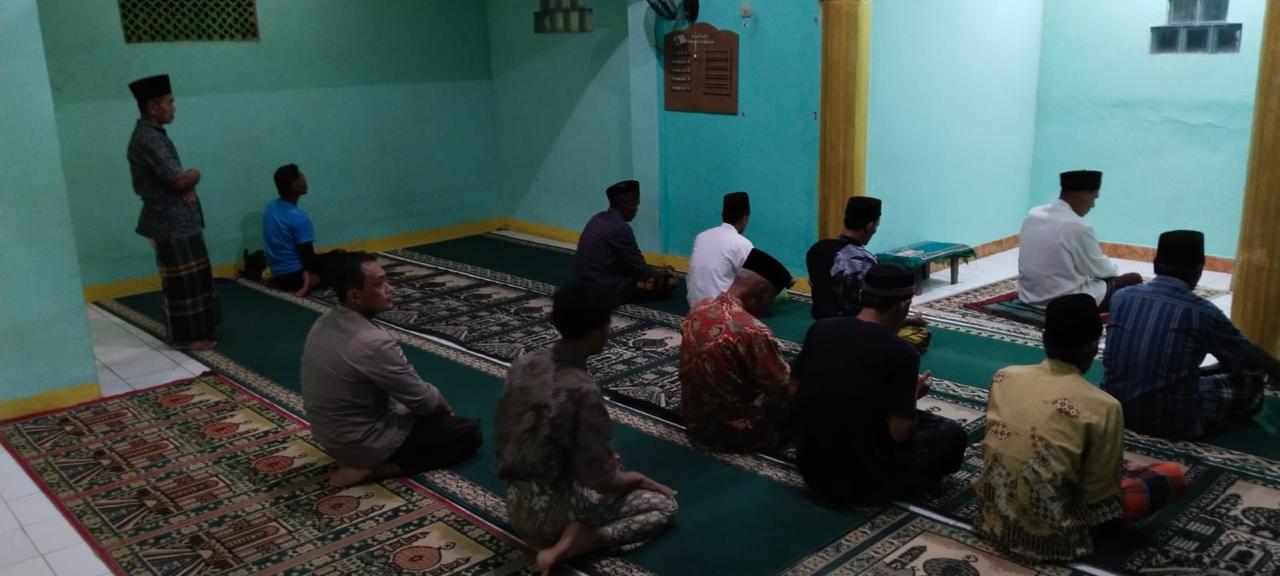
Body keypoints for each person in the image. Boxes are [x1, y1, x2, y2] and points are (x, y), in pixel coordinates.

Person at [974, 294, 1187, 561]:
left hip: (993, 518)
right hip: (1057, 537)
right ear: (1093, 347)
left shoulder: (1005, 376)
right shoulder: (1104, 406)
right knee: (1171, 475)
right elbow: (1099, 495)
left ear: (1045, 339)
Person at [496, 283, 677, 575]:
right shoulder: (582, 390)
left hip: (516, 502)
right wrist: (641, 480)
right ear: (595, 332)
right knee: (663, 506)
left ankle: (574, 530)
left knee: (611, 459)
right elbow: (604, 483)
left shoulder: (525, 362)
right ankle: (585, 540)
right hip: (553, 516)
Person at [301, 252, 481, 487]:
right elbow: (425, 401)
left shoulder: (324, 320)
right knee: (467, 433)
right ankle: (379, 469)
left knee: (405, 404)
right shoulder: (372, 342)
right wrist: (445, 411)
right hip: (360, 444)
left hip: (329, 436)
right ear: (355, 296)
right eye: (379, 284)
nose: (389, 289)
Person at [794, 264, 966, 506]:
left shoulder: (821, 328)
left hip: (810, 465)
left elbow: (792, 389)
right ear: (903, 305)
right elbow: (900, 432)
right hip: (863, 481)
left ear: (862, 295)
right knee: (952, 434)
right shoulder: (901, 352)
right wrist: (912, 394)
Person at [1103, 230, 1280, 440]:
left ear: (1155, 262)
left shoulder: (1121, 297)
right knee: (1251, 381)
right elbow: (1246, 354)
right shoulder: (1202, 311)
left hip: (1116, 409)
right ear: (1199, 267)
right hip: (1172, 421)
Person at [126, 74, 220, 351]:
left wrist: (187, 181)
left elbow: (176, 180)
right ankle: (185, 338)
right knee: (183, 283)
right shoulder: (148, 139)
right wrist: (195, 174)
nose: (173, 108)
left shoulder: (154, 135)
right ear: (153, 106)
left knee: (194, 279)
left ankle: (197, 331)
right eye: (170, 102)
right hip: (169, 222)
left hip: (177, 220)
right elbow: (178, 180)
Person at [680, 249, 794, 451]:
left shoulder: (699, 308)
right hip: (735, 432)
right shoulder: (752, 330)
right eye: (771, 299)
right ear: (761, 292)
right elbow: (782, 389)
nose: (768, 307)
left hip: (694, 420)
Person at [805, 196, 931, 353]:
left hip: (820, 329)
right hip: (853, 336)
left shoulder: (817, 249)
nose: (875, 231)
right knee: (916, 336)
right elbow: (871, 316)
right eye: (876, 226)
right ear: (869, 225)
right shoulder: (864, 260)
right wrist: (910, 320)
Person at [1017, 170, 1142, 310]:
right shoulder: (1077, 226)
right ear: (1081, 195)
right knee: (1133, 279)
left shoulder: (1033, 214)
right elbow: (1100, 270)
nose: (1092, 205)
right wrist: (1113, 269)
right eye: (1093, 198)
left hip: (1029, 297)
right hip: (1065, 302)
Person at [575, 180, 677, 303]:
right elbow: (642, 271)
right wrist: (665, 272)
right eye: (636, 205)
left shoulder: (597, 218)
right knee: (669, 282)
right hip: (602, 288)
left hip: (581, 283)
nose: (636, 210)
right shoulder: (620, 228)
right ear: (626, 206)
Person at [262, 164, 339, 296]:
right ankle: (311, 280)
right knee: (340, 260)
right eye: (301, 176)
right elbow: (309, 261)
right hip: (296, 277)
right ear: (293, 186)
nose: (305, 179)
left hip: (278, 276)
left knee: (327, 257)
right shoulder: (300, 217)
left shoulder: (270, 207)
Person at [685, 192, 753, 306]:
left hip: (693, 304)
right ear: (745, 218)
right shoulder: (743, 244)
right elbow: (751, 281)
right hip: (719, 308)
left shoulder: (702, 236)